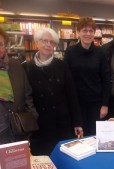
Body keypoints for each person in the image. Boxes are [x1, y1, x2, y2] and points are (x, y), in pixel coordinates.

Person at [22, 28, 83, 156]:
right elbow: (25, 99)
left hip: (61, 123)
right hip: (39, 125)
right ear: (37, 42)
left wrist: (77, 122)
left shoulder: (62, 66)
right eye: (45, 41)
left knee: (64, 158)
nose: (48, 45)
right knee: (43, 161)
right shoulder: (26, 68)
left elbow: (72, 96)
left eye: (52, 42)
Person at [64, 17, 111, 136]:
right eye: (84, 30)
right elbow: (66, 80)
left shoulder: (100, 53)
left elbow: (106, 80)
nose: (88, 34)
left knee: (95, 136)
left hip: (96, 104)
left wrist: (105, 105)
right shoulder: (70, 52)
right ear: (78, 32)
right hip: (77, 103)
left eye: (91, 31)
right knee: (79, 137)